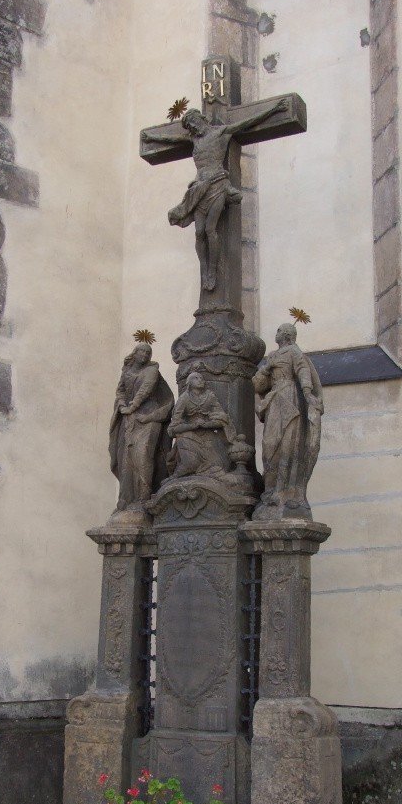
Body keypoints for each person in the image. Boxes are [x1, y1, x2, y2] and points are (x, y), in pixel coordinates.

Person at [142, 99, 287, 292]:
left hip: (218, 186)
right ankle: (204, 271)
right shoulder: (194, 140)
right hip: (199, 190)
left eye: (193, 122)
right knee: (199, 232)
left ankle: (213, 271)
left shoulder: (221, 133)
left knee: (211, 229)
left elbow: (249, 121)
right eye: (189, 126)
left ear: (201, 119)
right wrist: (151, 138)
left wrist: (275, 108)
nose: (192, 127)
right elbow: (171, 139)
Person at [253, 323, 323, 518]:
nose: (276, 333)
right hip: (274, 400)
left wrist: (308, 393)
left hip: (290, 398)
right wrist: (267, 368)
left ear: (286, 334)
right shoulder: (272, 357)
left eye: (278, 330)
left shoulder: (294, 351)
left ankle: (283, 492)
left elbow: (302, 370)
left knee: (287, 445)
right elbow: (258, 385)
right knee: (269, 445)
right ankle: (270, 490)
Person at [109, 343, 173, 512]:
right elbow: (120, 390)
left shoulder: (152, 371)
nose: (145, 355)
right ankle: (127, 499)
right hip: (130, 419)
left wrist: (132, 407)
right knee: (126, 457)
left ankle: (144, 498)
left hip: (150, 415)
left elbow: (145, 390)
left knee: (143, 454)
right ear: (135, 353)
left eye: (148, 352)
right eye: (142, 351)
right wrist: (122, 403)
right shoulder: (127, 371)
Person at [168, 372, 236, 478]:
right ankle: (174, 477)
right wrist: (193, 426)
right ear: (189, 383)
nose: (200, 380)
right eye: (196, 378)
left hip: (208, 433)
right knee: (190, 463)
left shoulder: (210, 396)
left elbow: (221, 417)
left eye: (201, 378)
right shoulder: (184, 398)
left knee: (222, 465)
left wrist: (207, 424)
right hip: (188, 435)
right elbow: (173, 428)